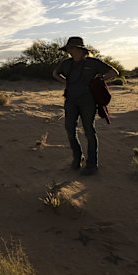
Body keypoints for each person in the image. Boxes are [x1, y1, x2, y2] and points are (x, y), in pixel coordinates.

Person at [52, 37, 119, 175]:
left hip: (88, 101)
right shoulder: (66, 64)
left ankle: (92, 164)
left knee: (89, 130)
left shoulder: (93, 62)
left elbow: (114, 72)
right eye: (68, 48)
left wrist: (98, 81)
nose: (69, 51)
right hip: (70, 100)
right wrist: (66, 83)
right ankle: (77, 158)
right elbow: (55, 73)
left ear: (81, 49)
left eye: (72, 48)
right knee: (70, 129)